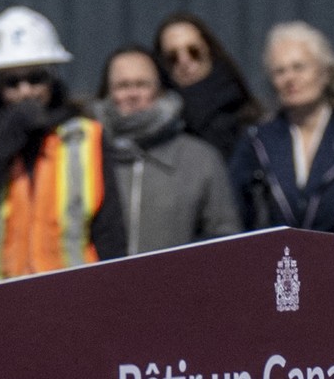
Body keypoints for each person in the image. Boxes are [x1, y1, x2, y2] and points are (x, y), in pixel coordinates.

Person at [0, 8, 124, 277]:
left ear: (52, 76)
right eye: (12, 82)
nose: (25, 91)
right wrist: (9, 137)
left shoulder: (87, 136)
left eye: (35, 78)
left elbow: (110, 230)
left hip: (71, 294)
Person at [97, 46, 241, 253]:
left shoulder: (200, 159)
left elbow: (225, 239)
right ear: (107, 93)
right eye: (122, 85)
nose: (132, 94)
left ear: (160, 90)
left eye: (142, 84)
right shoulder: (89, 155)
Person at [230, 22, 334, 233]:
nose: (290, 79)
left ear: (325, 72)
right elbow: (239, 212)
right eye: (280, 71)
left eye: (299, 67)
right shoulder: (257, 143)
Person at [153, 14, 261, 162]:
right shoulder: (158, 129)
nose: (184, 62)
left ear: (209, 52)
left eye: (194, 52)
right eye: (172, 57)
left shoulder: (247, 117)